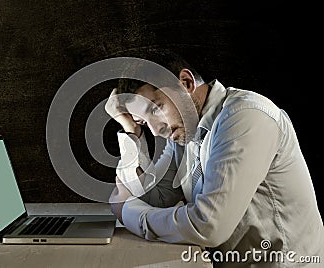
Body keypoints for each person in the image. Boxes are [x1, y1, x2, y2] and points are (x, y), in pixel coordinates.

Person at [105, 49, 324, 267]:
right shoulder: (185, 131)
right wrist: (130, 131)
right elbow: (155, 198)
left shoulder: (245, 116)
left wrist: (128, 213)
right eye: (144, 121)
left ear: (186, 83)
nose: (155, 130)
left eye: (155, 109)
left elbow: (209, 226)